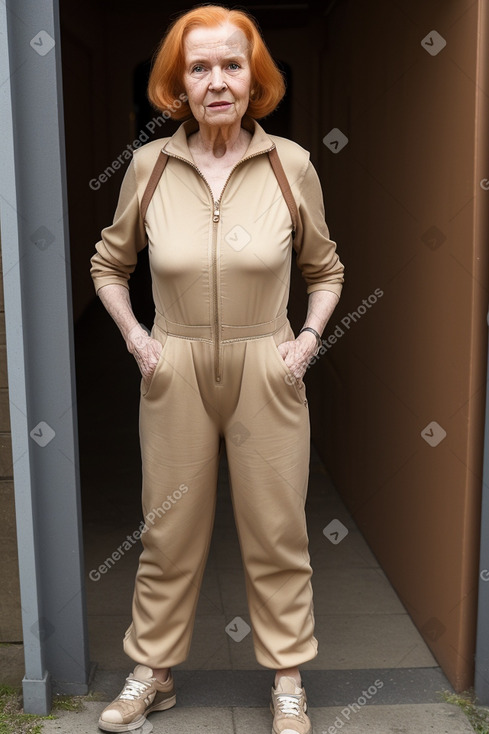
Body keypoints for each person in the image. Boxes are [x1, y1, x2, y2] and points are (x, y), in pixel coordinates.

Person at [90, 4, 344, 733]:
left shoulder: (290, 164)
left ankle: (287, 680)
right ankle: (153, 673)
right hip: (175, 363)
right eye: (198, 68)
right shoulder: (148, 165)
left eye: (231, 64)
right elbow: (109, 263)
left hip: (266, 362)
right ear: (178, 84)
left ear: (254, 75)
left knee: (276, 530)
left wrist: (304, 340)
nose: (217, 81)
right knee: (168, 533)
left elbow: (324, 270)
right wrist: (139, 340)